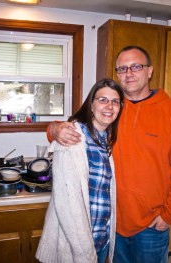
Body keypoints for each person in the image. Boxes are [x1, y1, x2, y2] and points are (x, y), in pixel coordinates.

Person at [46, 46, 171, 263]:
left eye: (136, 66)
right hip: (111, 223)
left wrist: (170, 213)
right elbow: (77, 125)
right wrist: (54, 128)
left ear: (149, 71)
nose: (129, 73)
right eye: (122, 68)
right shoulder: (111, 108)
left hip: (152, 224)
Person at [36, 78, 124, 263]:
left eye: (115, 101)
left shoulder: (106, 138)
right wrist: (85, 255)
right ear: (91, 105)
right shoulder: (72, 138)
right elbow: (68, 206)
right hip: (77, 247)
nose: (109, 106)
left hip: (101, 239)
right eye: (103, 100)